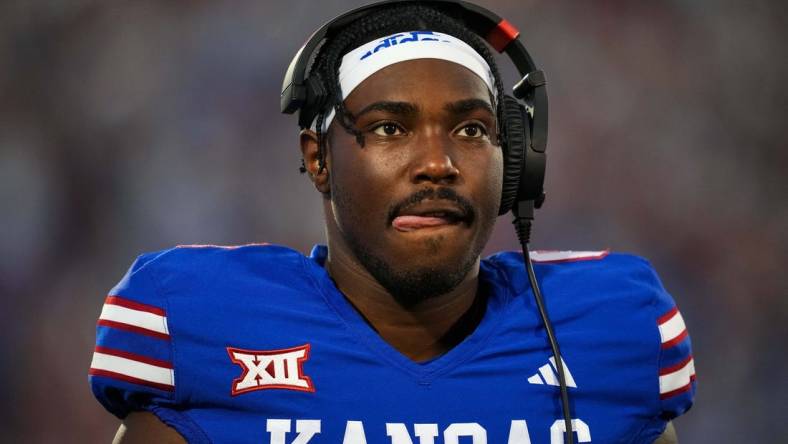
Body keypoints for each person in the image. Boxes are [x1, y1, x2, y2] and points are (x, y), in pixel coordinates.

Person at [88, 2, 695, 443]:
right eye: (389, 128)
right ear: (318, 158)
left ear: (516, 160)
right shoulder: (200, 324)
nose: (437, 163)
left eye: (471, 129)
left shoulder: (609, 328)